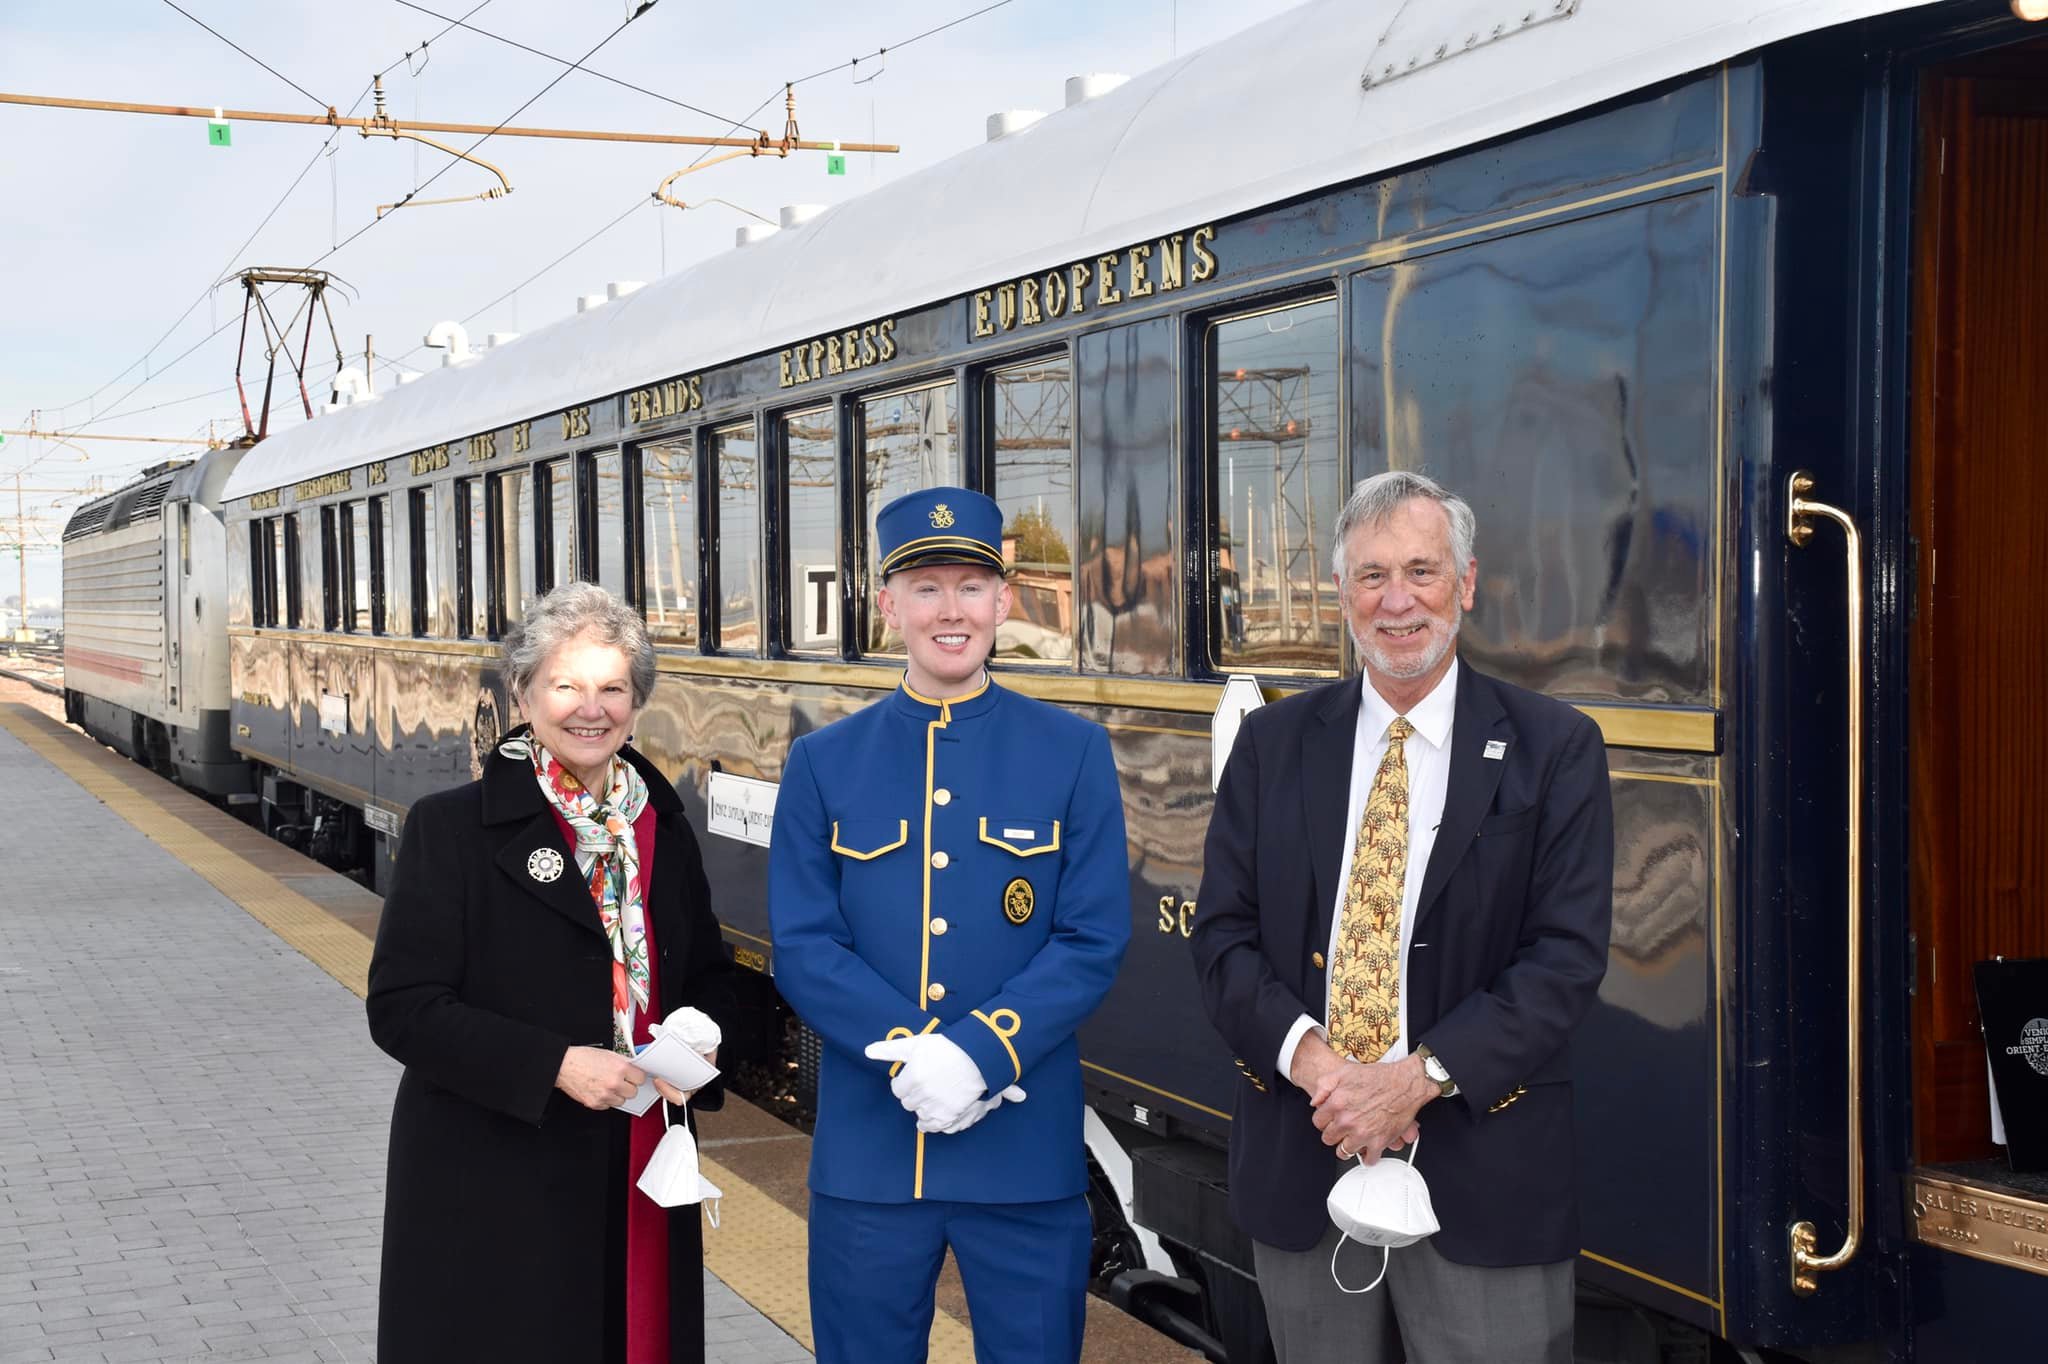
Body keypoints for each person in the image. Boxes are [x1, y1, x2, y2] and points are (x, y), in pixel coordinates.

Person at [1188, 471, 1613, 1363]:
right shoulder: (1272, 746)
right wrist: (1323, 1073)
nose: (1397, 601)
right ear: (1341, 591)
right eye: (1371, 575)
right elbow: (1222, 936)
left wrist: (1412, 1082)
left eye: (1422, 571)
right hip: (1308, 1155)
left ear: (1464, 584)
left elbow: (1563, 959)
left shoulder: (1554, 747)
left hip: (1482, 1170)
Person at [768, 486, 1131, 1364]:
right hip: (870, 1162)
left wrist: (975, 1054)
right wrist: (911, 1048)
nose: (951, 611)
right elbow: (806, 947)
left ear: (1005, 602)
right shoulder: (823, 762)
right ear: (887, 607)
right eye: (925, 589)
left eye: (971, 587)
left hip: (1025, 1159)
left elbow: (1091, 940)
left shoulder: (1072, 752)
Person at [367, 582, 737, 1364]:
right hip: (495, 1172)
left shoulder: (662, 827)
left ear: (639, 702)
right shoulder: (452, 828)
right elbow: (403, 1007)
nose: (589, 709)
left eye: (613, 688)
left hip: (641, 1152)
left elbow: (709, 972)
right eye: (565, 685)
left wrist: (701, 1041)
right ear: (523, 695)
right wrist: (556, 1066)